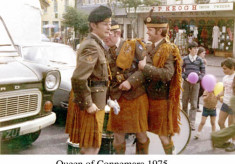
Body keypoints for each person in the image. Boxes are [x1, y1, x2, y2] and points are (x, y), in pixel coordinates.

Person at [65, 5, 112, 154]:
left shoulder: (96, 44)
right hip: (92, 104)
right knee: (91, 148)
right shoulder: (91, 46)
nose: (109, 28)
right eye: (105, 24)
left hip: (96, 102)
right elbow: (78, 78)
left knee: (90, 147)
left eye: (110, 24)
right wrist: (88, 103)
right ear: (93, 25)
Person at [138, 10, 182, 154]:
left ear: (160, 30)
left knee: (163, 136)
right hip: (147, 99)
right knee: (142, 133)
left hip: (161, 101)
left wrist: (145, 67)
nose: (147, 33)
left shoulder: (168, 48)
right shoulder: (150, 46)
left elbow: (167, 74)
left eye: (150, 30)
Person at [104, 20, 149, 154]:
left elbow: (144, 69)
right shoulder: (105, 51)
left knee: (141, 134)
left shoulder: (133, 45)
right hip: (117, 99)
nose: (106, 37)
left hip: (136, 96)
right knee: (118, 136)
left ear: (117, 33)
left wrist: (131, 81)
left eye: (108, 34)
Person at [181, 41, 206, 130]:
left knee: (194, 103)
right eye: (194, 48)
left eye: (197, 48)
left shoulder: (200, 60)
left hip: (196, 84)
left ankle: (192, 122)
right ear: (189, 49)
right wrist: (185, 77)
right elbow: (180, 71)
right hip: (186, 83)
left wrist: (198, 79)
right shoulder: (184, 59)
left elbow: (203, 72)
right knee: (184, 101)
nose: (196, 50)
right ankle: (185, 120)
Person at [215, 58, 235, 151]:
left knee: (231, 125)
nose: (223, 70)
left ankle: (233, 143)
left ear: (232, 68)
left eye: (225, 68)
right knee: (220, 122)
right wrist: (219, 95)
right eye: (223, 68)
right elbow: (224, 89)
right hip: (225, 103)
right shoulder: (225, 78)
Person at [197, 47, 207, 112]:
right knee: (199, 91)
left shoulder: (203, 60)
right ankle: (196, 105)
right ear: (200, 53)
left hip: (202, 77)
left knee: (201, 91)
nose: (204, 54)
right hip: (198, 77)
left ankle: (196, 104)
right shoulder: (198, 59)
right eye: (203, 53)